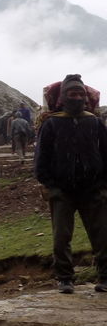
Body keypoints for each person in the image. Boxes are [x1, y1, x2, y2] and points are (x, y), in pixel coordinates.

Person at [34, 74, 107, 294]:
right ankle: (65, 279)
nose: (77, 98)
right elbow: (41, 158)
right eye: (72, 94)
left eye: (80, 94)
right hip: (61, 191)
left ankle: (105, 277)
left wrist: (102, 183)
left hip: (93, 189)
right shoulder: (51, 124)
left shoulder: (94, 122)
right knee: (61, 237)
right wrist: (50, 184)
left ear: (86, 97)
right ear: (63, 97)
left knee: (102, 235)